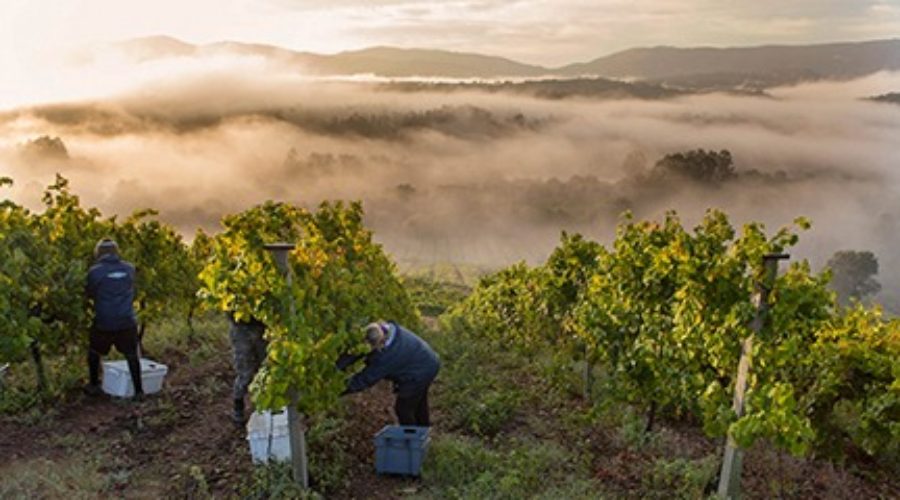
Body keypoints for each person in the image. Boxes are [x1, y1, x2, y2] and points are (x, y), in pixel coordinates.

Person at [342, 321, 440, 426]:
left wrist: (340, 389)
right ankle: (423, 432)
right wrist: (338, 366)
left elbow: (365, 379)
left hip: (422, 371)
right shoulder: (385, 330)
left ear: (381, 343)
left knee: (403, 409)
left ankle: (411, 438)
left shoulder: (389, 356)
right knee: (418, 402)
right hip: (426, 360)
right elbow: (357, 351)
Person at [84, 238, 143, 401]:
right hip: (127, 321)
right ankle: (139, 392)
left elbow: (89, 294)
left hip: (104, 322)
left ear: (98, 253)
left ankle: (94, 386)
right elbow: (133, 290)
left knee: (94, 352)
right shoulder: (130, 269)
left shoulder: (94, 272)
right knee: (132, 355)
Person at [228, 314, 267, 425]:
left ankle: (264, 405)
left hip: (263, 327)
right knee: (245, 373)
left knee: (266, 368)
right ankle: (238, 405)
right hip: (241, 329)